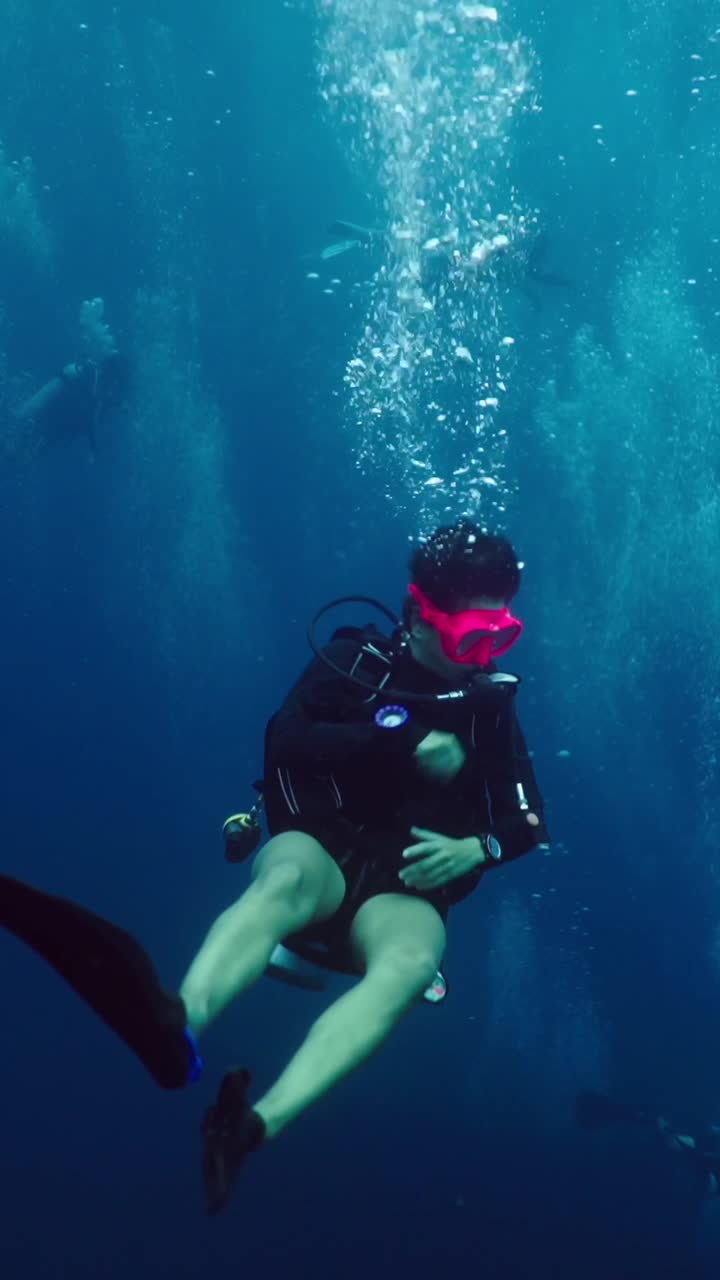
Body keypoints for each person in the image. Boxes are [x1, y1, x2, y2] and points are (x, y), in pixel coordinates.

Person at [0, 520, 549, 1213]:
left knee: (411, 966)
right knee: (284, 880)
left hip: (404, 887)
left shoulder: (490, 710)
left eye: (498, 638)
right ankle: (179, 1024)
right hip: (321, 846)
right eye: (471, 637)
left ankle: (253, 1126)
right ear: (416, 610)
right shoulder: (356, 661)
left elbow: (529, 819)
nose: (482, 657)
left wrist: (480, 848)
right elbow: (287, 738)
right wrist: (401, 743)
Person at [576, 1091, 720, 1198]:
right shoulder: (707, 1164)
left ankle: (604, 1110)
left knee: (645, 1118)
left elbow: (699, 1156)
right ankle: (606, 1110)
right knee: (645, 1117)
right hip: (683, 1140)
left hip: (682, 1142)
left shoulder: (706, 1168)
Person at [13, 349, 130, 451]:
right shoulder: (83, 377)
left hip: (49, 432)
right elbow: (37, 403)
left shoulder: (97, 389)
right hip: (43, 425)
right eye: (114, 381)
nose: (111, 387)